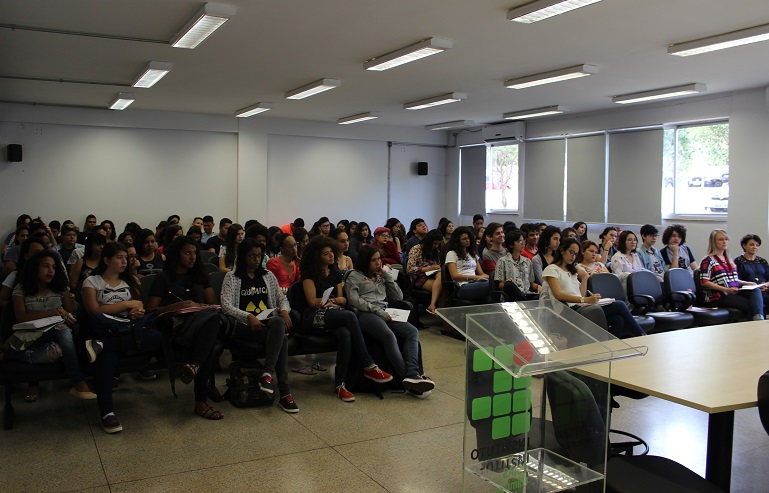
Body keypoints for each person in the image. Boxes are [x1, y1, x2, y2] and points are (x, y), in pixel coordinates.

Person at [81, 242, 163, 433]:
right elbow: (94, 311)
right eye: (119, 258)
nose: (124, 261)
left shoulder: (131, 281)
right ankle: (107, 413)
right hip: (104, 328)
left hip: (128, 328)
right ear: (107, 260)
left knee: (158, 337)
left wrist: (135, 312)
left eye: (126, 258)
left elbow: (139, 307)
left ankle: (103, 345)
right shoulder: (92, 282)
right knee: (106, 359)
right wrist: (126, 305)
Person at [299, 236, 392, 402]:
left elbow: (342, 299)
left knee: (345, 334)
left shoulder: (334, 273)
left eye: (331, 252)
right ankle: (368, 364)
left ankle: (340, 385)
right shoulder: (309, 274)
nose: (331, 256)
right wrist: (329, 302)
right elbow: (312, 302)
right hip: (313, 317)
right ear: (317, 256)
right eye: (326, 254)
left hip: (334, 314)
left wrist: (332, 301)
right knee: (350, 315)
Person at [146, 236, 226, 420]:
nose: (192, 257)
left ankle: (195, 366)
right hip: (177, 327)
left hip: (201, 325)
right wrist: (176, 307)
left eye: (195, 253)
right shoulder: (163, 278)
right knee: (209, 336)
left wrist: (197, 305)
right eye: (187, 253)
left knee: (212, 321)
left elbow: (212, 303)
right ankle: (200, 401)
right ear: (177, 255)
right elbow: (151, 310)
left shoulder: (200, 275)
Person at [4, 251, 97, 399]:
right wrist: (52, 313)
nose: (51, 271)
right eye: (45, 266)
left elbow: (69, 313)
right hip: (32, 336)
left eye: (53, 267)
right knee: (62, 331)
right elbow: (21, 318)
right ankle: (78, 382)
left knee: (57, 346)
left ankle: (13, 354)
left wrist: (68, 317)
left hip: (56, 335)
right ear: (35, 268)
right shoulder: (21, 289)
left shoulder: (60, 288)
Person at [221, 239, 298, 413]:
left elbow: (282, 298)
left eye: (259, 256)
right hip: (243, 326)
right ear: (243, 257)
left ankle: (267, 374)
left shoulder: (267, 276)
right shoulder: (231, 277)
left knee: (278, 321)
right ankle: (285, 393)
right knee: (283, 342)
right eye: (252, 256)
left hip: (267, 323)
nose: (257, 260)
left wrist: (285, 311)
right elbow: (226, 305)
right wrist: (248, 316)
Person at [346, 246, 434, 395]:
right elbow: (354, 300)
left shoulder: (381, 275)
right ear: (365, 261)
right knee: (388, 336)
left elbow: (398, 297)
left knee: (412, 331)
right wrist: (377, 311)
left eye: (379, 259)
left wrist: (386, 276)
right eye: (373, 260)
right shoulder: (354, 276)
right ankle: (406, 378)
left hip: (386, 311)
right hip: (366, 313)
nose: (378, 263)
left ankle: (413, 373)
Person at [540, 238, 646, 338]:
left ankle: (610, 347)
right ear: (562, 251)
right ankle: (642, 336)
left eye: (576, 254)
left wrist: (585, 277)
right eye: (571, 252)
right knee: (620, 305)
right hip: (566, 311)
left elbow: (579, 295)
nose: (573, 257)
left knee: (618, 320)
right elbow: (558, 295)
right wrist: (585, 299)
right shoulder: (552, 269)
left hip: (578, 306)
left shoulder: (571, 271)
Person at [699, 230, 764, 320]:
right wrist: (726, 290)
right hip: (719, 296)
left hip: (733, 292)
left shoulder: (728, 260)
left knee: (756, 291)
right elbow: (704, 282)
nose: (724, 241)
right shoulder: (708, 260)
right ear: (714, 242)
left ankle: (757, 321)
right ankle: (758, 323)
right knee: (753, 306)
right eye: (721, 239)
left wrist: (745, 283)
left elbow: (733, 279)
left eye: (726, 239)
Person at [444, 226, 490, 302]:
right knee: (491, 285)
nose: (467, 240)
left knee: (490, 298)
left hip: (476, 283)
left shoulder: (473, 254)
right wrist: (475, 277)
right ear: (457, 241)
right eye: (464, 239)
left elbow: (481, 273)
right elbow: (454, 276)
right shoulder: (451, 254)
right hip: (463, 287)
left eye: (469, 238)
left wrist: (490, 277)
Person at [406, 229, 444, 314]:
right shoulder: (417, 248)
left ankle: (433, 307)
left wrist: (436, 268)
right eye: (435, 243)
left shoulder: (436, 251)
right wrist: (429, 268)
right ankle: (433, 307)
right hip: (419, 277)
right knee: (442, 289)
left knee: (442, 277)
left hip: (434, 275)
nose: (436, 246)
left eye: (438, 244)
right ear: (429, 241)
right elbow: (410, 269)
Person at [494, 230, 539, 301]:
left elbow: (531, 284)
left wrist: (538, 286)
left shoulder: (527, 261)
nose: (523, 243)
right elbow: (501, 285)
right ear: (511, 244)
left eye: (524, 241)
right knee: (509, 285)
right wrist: (506, 283)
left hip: (526, 294)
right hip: (511, 296)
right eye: (519, 241)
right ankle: (525, 303)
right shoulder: (502, 261)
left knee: (540, 297)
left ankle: (524, 302)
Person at [69, 233, 108, 301]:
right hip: (84, 296)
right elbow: (73, 284)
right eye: (98, 244)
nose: (101, 247)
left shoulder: (106, 263)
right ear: (90, 246)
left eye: (103, 244)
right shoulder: (81, 262)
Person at [735, 234, 769, 307]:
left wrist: (766, 285)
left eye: (757, 245)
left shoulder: (762, 261)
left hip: (764, 290)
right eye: (751, 245)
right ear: (744, 246)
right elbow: (736, 280)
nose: (755, 247)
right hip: (749, 291)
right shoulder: (738, 261)